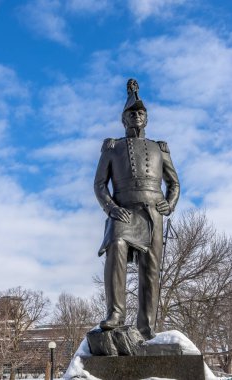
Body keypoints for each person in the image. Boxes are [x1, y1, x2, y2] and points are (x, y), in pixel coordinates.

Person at [94, 79, 180, 339]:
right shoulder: (113, 147)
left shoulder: (159, 148)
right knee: (116, 245)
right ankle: (116, 313)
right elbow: (100, 185)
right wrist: (110, 208)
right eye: (132, 113)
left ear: (147, 119)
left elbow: (174, 182)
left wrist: (170, 202)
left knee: (151, 268)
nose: (137, 116)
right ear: (124, 119)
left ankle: (146, 325)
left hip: (153, 212)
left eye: (141, 113)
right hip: (124, 210)